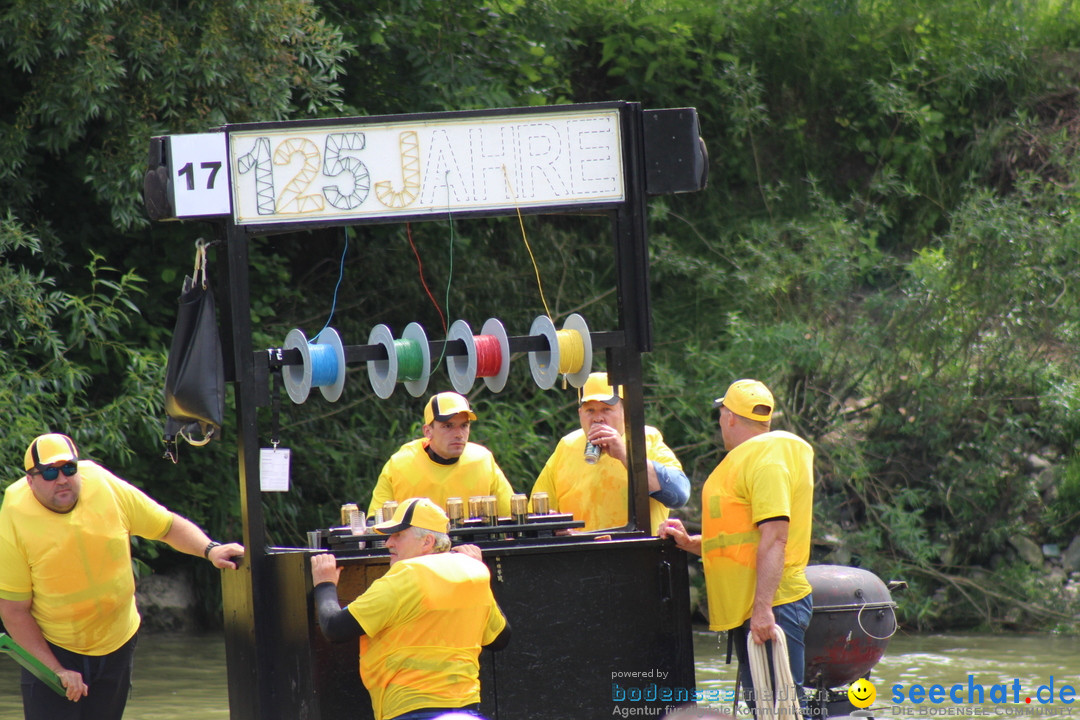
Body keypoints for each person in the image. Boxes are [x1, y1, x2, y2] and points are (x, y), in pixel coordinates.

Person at [0, 433, 245, 720]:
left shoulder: (105, 486)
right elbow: (14, 611)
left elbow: (165, 525)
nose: (62, 479)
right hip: (54, 646)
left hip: (117, 640)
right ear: (30, 481)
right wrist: (56, 669)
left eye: (69, 468)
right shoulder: (14, 517)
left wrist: (210, 549)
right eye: (50, 472)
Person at [659, 380, 814, 717]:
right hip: (754, 604)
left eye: (720, 415)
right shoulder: (748, 460)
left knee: (781, 707)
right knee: (761, 706)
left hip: (774, 603)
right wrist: (691, 543)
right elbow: (741, 542)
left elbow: (775, 537)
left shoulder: (768, 461)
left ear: (728, 417)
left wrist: (762, 610)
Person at [310, 497, 510, 720]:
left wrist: (325, 585)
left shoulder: (407, 575)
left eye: (398, 535)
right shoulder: (474, 572)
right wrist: (481, 574)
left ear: (427, 541)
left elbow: (335, 628)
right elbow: (500, 638)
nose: (388, 543)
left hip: (409, 709)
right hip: (467, 708)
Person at [529, 372, 690, 535]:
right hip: (579, 555)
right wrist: (552, 524)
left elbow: (679, 495)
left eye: (606, 409)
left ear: (625, 411)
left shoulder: (644, 439)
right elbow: (535, 514)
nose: (598, 418)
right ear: (580, 414)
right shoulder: (567, 446)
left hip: (635, 555)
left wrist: (626, 456)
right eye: (590, 410)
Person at [368, 392, 514, 518]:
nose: (459, 435)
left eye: (464, 426)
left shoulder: (483, 460)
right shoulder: (399, 464)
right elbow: (376, 521)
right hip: (418, 550)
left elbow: (512, 516)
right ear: (427, 431)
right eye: (448, 426)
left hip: (471, 548)